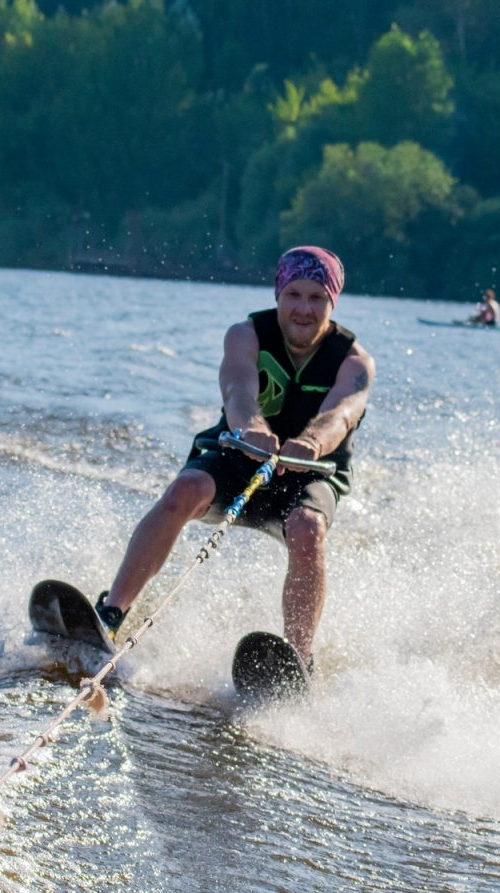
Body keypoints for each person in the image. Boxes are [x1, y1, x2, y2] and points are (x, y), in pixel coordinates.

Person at [97, 245, 375, 667]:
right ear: (278, 294)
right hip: (241, 453)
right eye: (294, 295)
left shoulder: (354, 362)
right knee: (186, 489)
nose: (304, 308)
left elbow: (341, 415)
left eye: (317, 297)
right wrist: (254, 428)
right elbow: (238, 389)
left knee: (307, 528)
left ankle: (298, 661)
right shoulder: (245, 335)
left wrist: (313, 443)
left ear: (332, 301)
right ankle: (111, 613)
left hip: (309, 472)